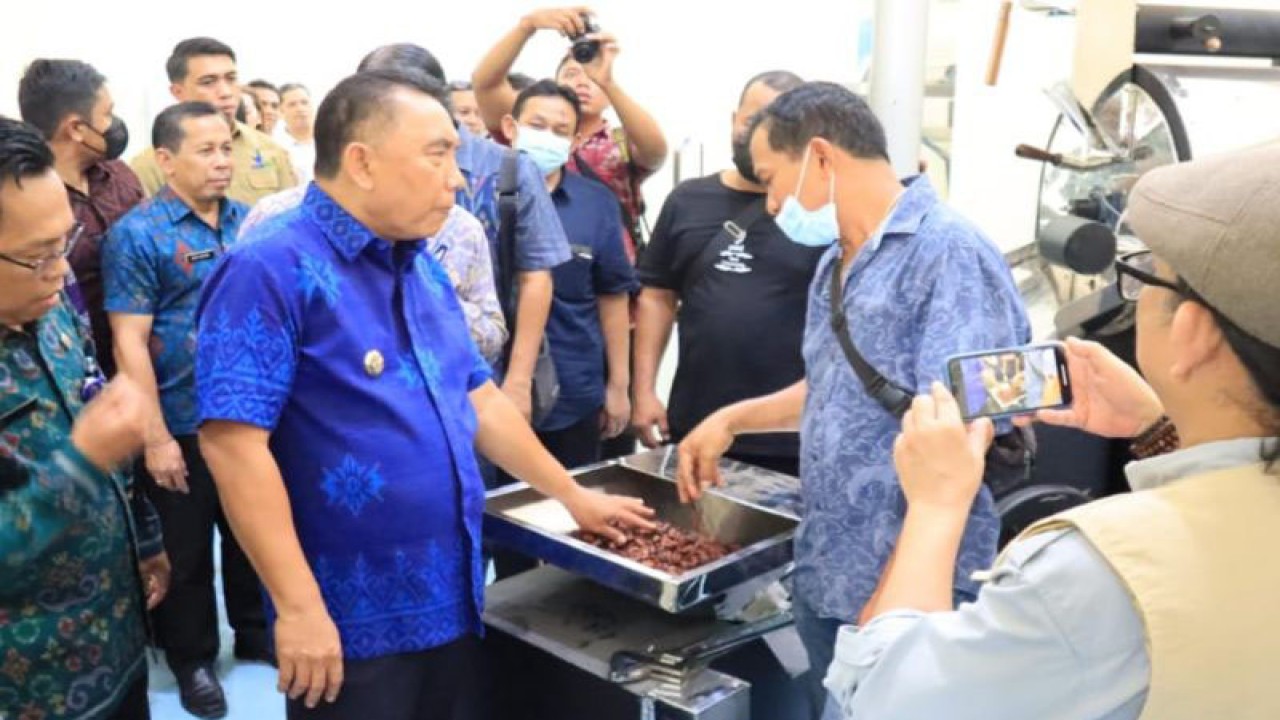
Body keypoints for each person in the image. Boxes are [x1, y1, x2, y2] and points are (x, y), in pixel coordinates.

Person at [194, 69, 652, 720]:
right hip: (347, 619)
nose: (458, 178)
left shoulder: (421, 268)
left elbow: (479, 400)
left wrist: (571, 495)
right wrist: (297, 606)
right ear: (363, 162)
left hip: (453, 596)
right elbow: (233, 446)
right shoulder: (268, 268)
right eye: (438, 154)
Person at [824, 144, 1280, 720]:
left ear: (1192, 333)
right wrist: (1160, 428)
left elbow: (885, 704)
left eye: (1145, 278)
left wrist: (937, 506)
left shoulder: (1097, 576)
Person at [676, 82, 1030, 719]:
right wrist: (729, 420)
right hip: (828, 573)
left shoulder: (948, 252)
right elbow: (830, 388)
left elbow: (964, 432)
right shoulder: (835, 262)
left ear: (819, 156)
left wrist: (892, 599)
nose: (774, 201)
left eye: (773, 178)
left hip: (910, 587)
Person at [0, 116, 168, 720]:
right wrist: (81, 461)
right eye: (36, 256)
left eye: (63, 245)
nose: (61, 270)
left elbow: (94, 399)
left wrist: (143, 535)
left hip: (115, 635)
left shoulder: (50, 306)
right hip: (33, 685)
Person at [103, 102, 261, 719]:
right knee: (187, 551)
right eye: (206, 150)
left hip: (249, 416)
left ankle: (256, 632)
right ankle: (192, 659)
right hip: (181, 419)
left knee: (250, 533)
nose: (222, 161)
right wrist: (155, 436)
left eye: (227, 148)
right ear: (165, 159)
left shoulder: (251, 223)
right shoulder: (138, 235)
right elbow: (128, 341)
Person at [359, 42, 570, 423]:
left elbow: (535, 277)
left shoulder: (507, 171)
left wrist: (520, 380)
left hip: (476, 376)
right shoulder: (367, 169)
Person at [632, 70, 811, 477]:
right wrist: (643, 391)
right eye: (752, 120)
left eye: (777, 124)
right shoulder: (687, 200)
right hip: (697, 423)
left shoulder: (816, 210)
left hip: (793, 433)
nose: (759, 134)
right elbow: (657, 297)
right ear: (734, 119)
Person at [504, 80, 637, 468]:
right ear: (511, 128)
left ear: (576, 141)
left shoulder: (596, 203)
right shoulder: (480, 193)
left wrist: (619, 386)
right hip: (488, 390)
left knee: (568, 513)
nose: (547, 137)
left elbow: (612, 296)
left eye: (560, 131)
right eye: (537, 125)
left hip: (573, 389)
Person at [472, 6, 668, 261]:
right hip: (525, 266)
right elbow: (485, 84)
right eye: (572, 74)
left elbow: (655, 152)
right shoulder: (528, 128)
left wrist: (608, 82)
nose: (583, 82)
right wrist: (527, 27)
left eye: (591, 77)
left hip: (602, 274)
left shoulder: (619, 142)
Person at [18, 58, 145, 378]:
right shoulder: (25, 203)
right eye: (107, 114)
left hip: (145, 358)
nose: (114, 124)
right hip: (71, 368)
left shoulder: (120, 176)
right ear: (76, 128)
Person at [130, 38, 297, 205]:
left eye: (231, 79)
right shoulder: (151, 165)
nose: (225, 92)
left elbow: (290, 218)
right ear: (178, 92)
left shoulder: (271, 150)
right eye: (208, 82)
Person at [279, 83, 316, 183]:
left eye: (304, 102)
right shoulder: (277, 146)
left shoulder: (331, 141)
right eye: (292, 105)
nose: (300, 109)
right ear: (281, 111)